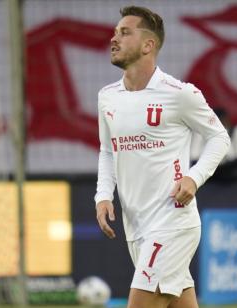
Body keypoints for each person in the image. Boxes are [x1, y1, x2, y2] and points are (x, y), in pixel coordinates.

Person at [94, 6, 230, 308]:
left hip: (173, 222)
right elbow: (107, 150)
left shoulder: (180, 94)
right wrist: (103, 195)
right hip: (137, 225)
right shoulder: (107, 96)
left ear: (148, 45)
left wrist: (194, 177)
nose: (114, 39)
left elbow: (219, 137)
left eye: (124, 33)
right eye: (115, 32)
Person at [191, 108, 237, 178]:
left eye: (219, 120)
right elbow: (194, 159)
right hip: (207, 179)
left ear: (226, 119)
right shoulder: (200, 134)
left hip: (232, 177)